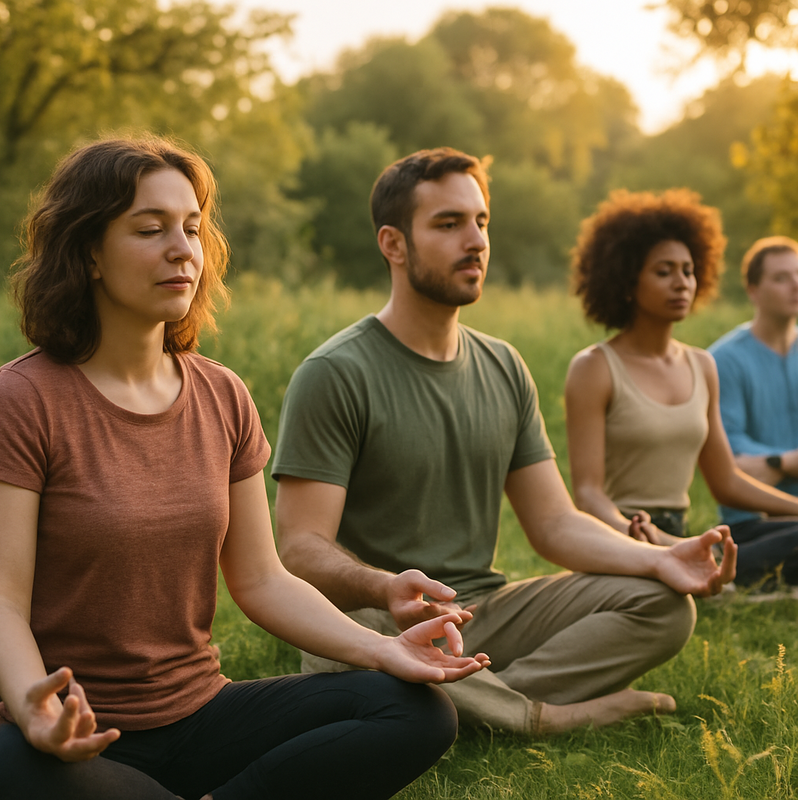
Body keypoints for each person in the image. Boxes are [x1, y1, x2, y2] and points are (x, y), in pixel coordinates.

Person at [0, 137, 491, 800]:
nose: (183, 250)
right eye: (151, 230)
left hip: (201, 716)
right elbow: (3, 599)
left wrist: (382, 650)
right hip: (70, 735)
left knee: (413, 710)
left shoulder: (221, 396)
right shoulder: (23, 401)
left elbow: (261, 580)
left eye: (193, 229)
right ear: (88, 251)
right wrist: (35, 708)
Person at [271, 148, 737, 738]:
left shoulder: (504, 365)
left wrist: (660, 557)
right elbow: (301, 548)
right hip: (383, 616)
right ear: (393, 244)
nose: (475, 240)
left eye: (481, 221)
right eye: (448, 224)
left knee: (665, 604)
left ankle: (469, 700)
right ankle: (534, 715)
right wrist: (383, 586)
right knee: (344, 645)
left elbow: (555, 525)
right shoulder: (336, 372)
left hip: (484, 609)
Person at [565, 190, 798, 592]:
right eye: (664, 271)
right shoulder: (594, 368)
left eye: (688, 270)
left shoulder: (701, 365)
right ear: (626, 280)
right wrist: (633, 533)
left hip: (680, 537)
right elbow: (587, 493)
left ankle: (721, 577)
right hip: (619, 541)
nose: (681, 283)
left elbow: (725, 480)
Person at [708, 236, 798, 587]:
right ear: (753, 290)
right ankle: (719, 567)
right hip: (753, 523)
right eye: (781, 278)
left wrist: (773, 464)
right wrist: (790, 461)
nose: (795, 285)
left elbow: (752, 461)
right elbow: (731, 462)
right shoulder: (723, 361)